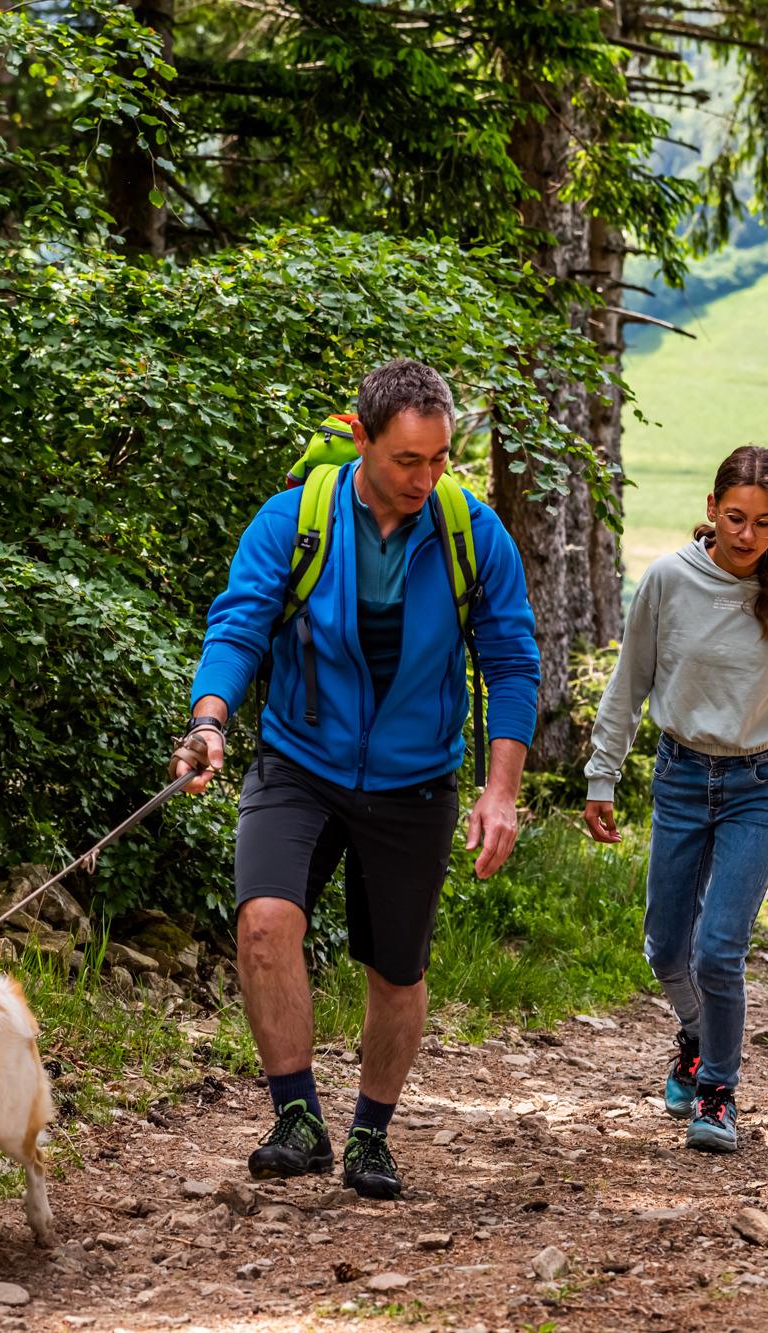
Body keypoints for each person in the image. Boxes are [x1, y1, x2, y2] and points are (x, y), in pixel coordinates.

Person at [172, 358, 541, 1199]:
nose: (426, 477)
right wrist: (209, 720)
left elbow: (512, 661)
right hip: (300, 760)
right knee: (264, 924)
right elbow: (239, 626)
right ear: (363, 439)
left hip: (415, 779)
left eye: (439, 458)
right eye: (408, 459)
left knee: (396, 970)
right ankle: (297, 1117)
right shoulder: (294, 521)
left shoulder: (472, 534)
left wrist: (501, 791)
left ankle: (371, 1131)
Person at [581, 445, 768, 1154]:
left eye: (764, 522)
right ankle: (698, 1037)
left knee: (719, 949)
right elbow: (629, 684)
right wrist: (602, 774)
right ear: (711, 509)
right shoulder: (668, 580)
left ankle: (718, 1091)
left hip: (758, 785)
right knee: (665, 946)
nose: (746, 534)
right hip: (679, 776)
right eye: (735, 517)